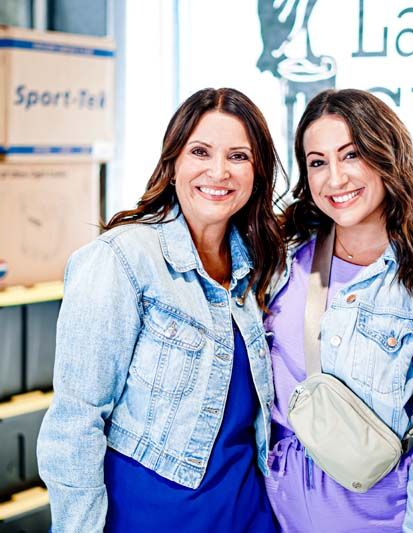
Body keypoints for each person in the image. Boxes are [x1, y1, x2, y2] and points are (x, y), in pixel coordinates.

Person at [37, 88, 285, 532]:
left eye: (238, 157)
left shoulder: (259, 267)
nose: (219, 171)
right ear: (173, 164)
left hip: (249, 518)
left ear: (257, 172)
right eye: (201, 151)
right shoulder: (122, 259)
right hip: (150, 518)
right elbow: (75, 422)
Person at [264, 88, 413, 532]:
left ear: (386, 156)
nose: (335, 178)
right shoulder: (284, 255)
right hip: (274, 512)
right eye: (318, 162)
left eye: (351, 155)